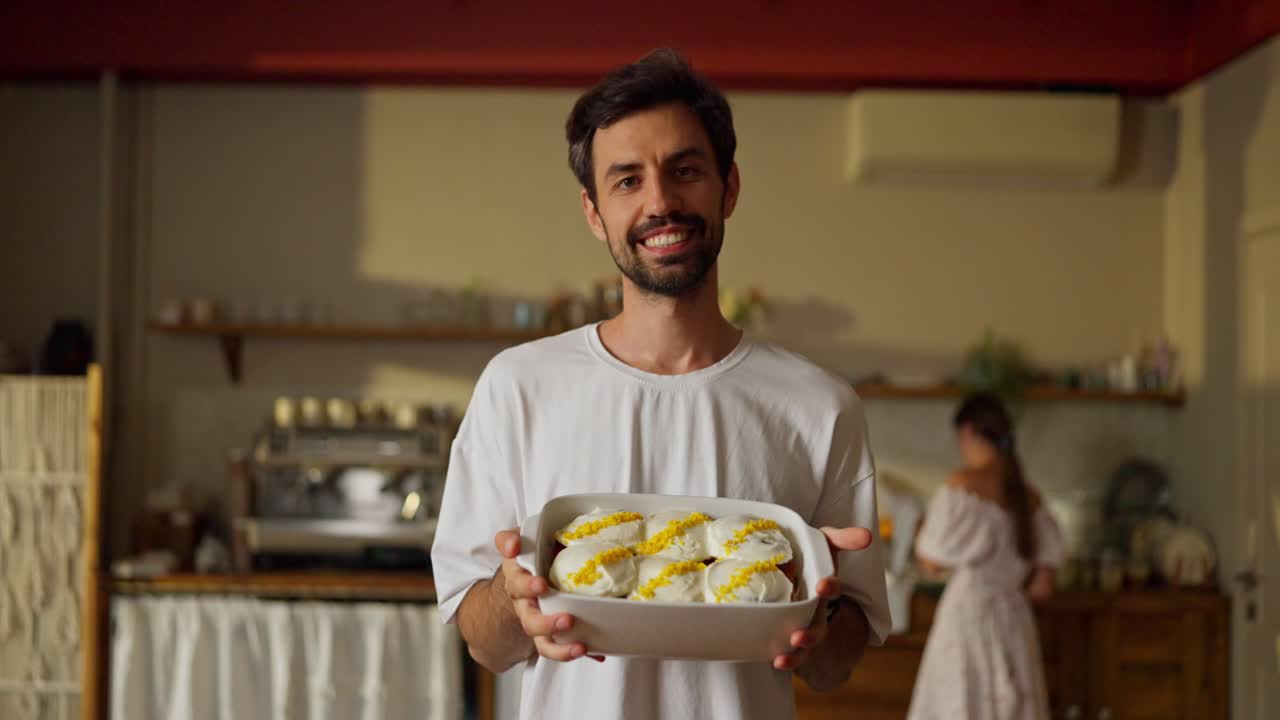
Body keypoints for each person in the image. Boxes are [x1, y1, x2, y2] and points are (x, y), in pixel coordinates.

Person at [429, 48, 890, 720]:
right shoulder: (518, 387)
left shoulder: (819, 406)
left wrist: (819, 618)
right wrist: (513, 597)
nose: (661, 203)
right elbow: (484, 643)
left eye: (685, 171)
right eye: (627, 180)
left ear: (729, 187)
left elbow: (839, 662)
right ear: (594, 212)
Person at [907, 393, 1065, 720]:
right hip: (1015, 622)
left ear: (968, 432)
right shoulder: (1030, 496)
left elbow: (932, 562)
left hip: (968, 619)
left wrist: (920, 530)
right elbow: (1042, 588)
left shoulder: (963, 485)